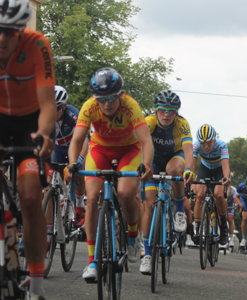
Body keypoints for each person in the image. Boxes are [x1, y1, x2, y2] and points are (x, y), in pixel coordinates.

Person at [66, 67, 154, 281]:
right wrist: (72, 163)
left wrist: (146, 165)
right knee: (93, 198)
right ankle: (92, 262)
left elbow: (146, 141)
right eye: (101, 99)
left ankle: (133, 235)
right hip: (100, 150)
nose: (106, 104)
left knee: (125, 192)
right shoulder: (89, 106)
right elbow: (76, 140)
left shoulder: (130, 105)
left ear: (120, 94)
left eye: (112, 98)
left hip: (129, 151)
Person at [0, 1, 56, 299]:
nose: (1, 39)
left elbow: (48, 104)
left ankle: (35, 284)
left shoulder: (37, 45)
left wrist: (43, 134)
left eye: (8, 32)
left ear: (20, 32)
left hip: (29, 122)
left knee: (31, 195)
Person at [139, 90, 194, 274]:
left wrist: (189, 170)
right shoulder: (149, 122)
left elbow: (188, 151)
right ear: (156, 110)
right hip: (153, 159)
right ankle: (147, 254)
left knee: (174, 170)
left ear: (176, 112)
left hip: (174, 157)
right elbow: (140, 147)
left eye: (171, 111)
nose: (167, 115)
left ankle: (179, 211)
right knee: (149, 202)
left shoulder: (182, 123)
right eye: (162, 110)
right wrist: (143, 166)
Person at [52, 85, 88, 227]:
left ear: (64, 107)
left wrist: (79, 160)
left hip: (75, 146)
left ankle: (79, 205)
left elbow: (85, 141)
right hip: (57, 149)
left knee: (79, 169)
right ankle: (55, 200)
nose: (52, 112)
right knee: (50, 178)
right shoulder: (44, 114)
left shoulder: (73, 114)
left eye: (56, 109)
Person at [191, 124, 231, 245]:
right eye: (203, 143)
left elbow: (225, 166)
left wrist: (226, 178)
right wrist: (190, 179)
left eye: (208, 142)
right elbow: (192, 166)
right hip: (205, 169)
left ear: (214, 139)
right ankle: (197, 228)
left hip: (219, 170)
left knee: (219, 195)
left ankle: (224, 227)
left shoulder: (221, 145)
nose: (206, 146)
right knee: (199, 196)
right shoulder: (196, 146)